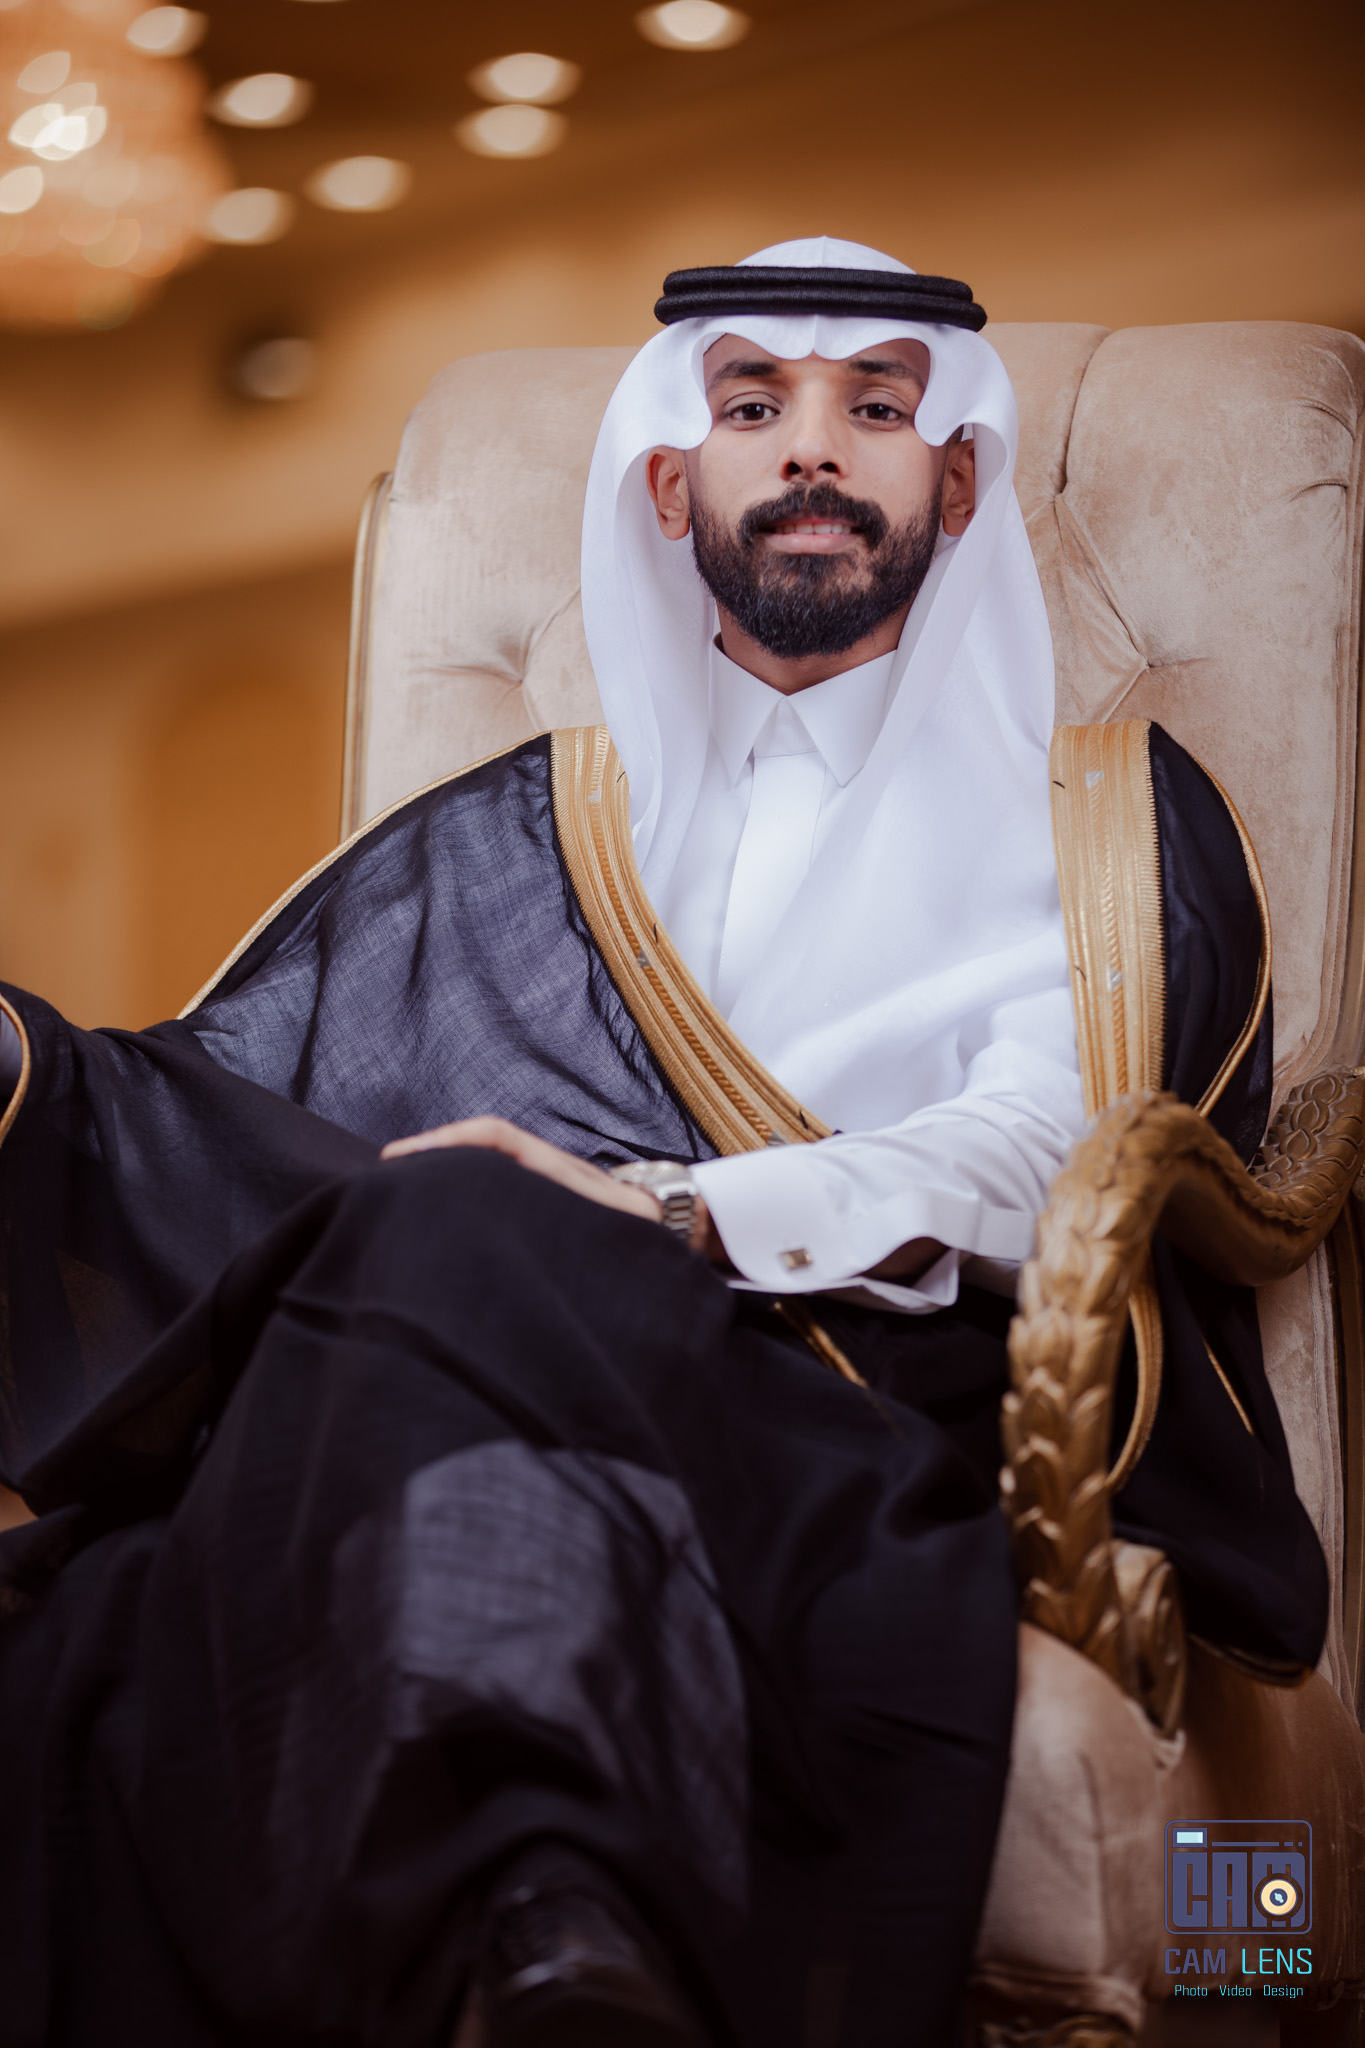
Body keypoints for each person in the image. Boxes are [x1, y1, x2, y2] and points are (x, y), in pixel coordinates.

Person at [0, 238, 1326, 2048]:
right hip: (485, 1377)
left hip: (861, 1416)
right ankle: (540, 1950)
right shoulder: (520, 833)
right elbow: (229, 1125)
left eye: (876, 409)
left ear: (955, 483)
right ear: (665, 482)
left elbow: (1049, 1145)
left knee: (451, 1227)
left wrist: (664, 1216)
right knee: (177, 1529)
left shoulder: (1093, 818)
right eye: (752, 406)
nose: (812, 447)